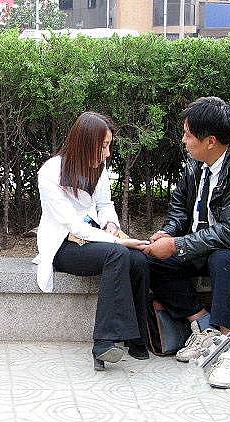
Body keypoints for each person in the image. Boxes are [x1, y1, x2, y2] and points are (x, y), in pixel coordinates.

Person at [143, 97, 230, 389]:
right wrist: (168, 233)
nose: (183, 140)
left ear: (210, 141)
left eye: (188, 135)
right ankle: (205, 328)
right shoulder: (198, 163)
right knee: (150, 258)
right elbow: (180, 207)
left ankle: (229, 346)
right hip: (201, 246)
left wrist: (180, 245)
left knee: (225, 258)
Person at [34, 112, 150, 371]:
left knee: (140, 259)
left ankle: (136, 338)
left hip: (97, 239)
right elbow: (72, 225)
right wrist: (117, 242)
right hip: (64, 245)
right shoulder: (51, 172)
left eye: (109, 145)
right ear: (85, 143)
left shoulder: (99, 167)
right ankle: (103, 343)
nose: (107, 153)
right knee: (118, 254)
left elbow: (105, 205)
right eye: (104, 146)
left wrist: (112, 225)